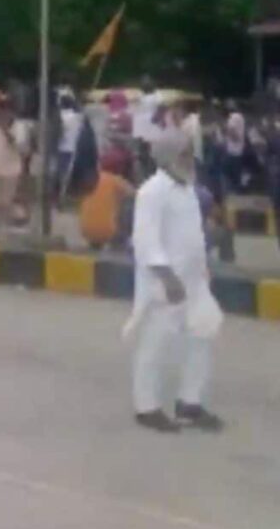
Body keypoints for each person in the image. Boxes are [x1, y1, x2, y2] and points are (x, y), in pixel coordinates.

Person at [124, 129, 224, 433]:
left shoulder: (188, 189)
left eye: (190, 152)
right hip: (165, 283)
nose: (189, 158)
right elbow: (145, 240)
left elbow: (193, 236)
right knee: (156, 344)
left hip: (194, 282)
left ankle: (189, 403)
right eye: (183, 153)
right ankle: (146, 407)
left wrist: (203, 271)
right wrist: (167, 277)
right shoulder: (152, 191)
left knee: (202, 338)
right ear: (167, 157)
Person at [0, 99, 26, 228]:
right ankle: (5, 224)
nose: (1, 116)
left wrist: (6, 131)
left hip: (12, 170)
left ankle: (13, 222)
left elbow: (21, 147)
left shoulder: (19, 127)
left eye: (4, 112)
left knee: (7, 201)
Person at [79, 167, 134, 250]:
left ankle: (96, 243)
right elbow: (135, 194)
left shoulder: (88, 179)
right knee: (130, 203)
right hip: (109, 232)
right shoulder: (115, 180)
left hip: (86, 231)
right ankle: (121, 242)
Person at [57, 94, 83, 197]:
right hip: (75, 147)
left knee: (61, 172)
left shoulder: (60, 116)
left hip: (61, 147)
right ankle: (67, 192)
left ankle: (61, 194)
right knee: (69, 172)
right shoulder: (78, 117)